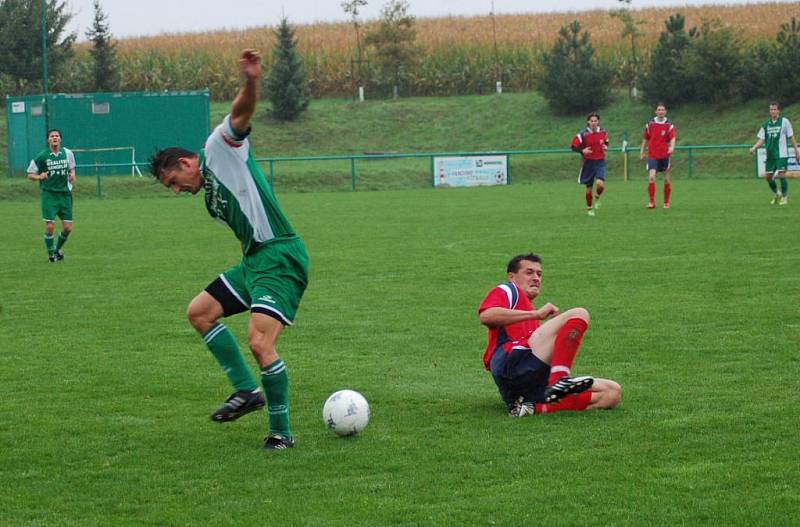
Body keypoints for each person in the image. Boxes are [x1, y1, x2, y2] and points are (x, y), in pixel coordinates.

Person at [148, 49, 309, 451]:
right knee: (199, 312)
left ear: (187, 162)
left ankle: (281, 434)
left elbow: (240, 114)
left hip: (280, 256)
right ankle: (246, 391)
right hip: (254, 261)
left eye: (173, 181)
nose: (176, 190)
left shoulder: (219, 147)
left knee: (259, 342)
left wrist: (251, 81)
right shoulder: (208, 199)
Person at [478, 253, 621, 417]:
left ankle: (528, 408)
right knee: (579, 313)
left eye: (539, 274)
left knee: (612, 393)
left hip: (527, 384)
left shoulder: (530, 312)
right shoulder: (509, 290)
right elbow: (487, 316)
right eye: (529, 272)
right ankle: (559, 380)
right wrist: (536, 315)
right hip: (510, 364)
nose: (536, 278)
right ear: (512, 276)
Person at [27, 129, 76, 262]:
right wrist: (39, 176)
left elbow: (71, 168)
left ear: (60, 139)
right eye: (52, 136)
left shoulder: (67, 153)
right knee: (50, 226)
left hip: (65, 194)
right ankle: (51, 256)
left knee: (68, 228)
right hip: (49, 195)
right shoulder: (42, 156)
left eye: (57, 136)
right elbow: (30, 174)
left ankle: (56, 250)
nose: (54, 138)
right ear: (48, 140)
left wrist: (72, 174)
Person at [749, 102, 800, 205]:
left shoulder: (784, 121)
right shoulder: (765, 125)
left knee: (781, 175)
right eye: (771, 109)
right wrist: (754, 147)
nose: (773, 111)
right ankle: (777, 193)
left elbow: (791, 136)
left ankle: (785, 198)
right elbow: (761, 139)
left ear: (778, 111)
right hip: (771, 155)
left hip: (781, 154)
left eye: (774, 109)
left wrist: (796, 150)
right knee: (768, 178)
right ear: (769, 111)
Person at [570, 112, 609, 216]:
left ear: (598, 121)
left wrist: (605, 146)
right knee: (589, 189)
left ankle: (597, 196)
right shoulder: (582, 134)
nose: (593, 123)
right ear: (588, 122)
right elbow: (573, 146)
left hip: (600, 161)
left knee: (600, 184)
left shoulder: (603, 132)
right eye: (591, 121)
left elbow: (605, 142)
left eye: (595, 121)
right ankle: (589, 208)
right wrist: (582, 151)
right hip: (588, 163)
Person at [639, 102, 676, 209]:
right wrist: (642, 151)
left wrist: (672, 147)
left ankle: (666, 202)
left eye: (662, 110)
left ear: (665, 111)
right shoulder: (650, 124)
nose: (660, 112)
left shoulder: (669, 125)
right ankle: (651, 202)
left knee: (666, 179)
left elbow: (673, 138)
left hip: (664, 155)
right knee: (651, 177)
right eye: (659, 110)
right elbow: (646, 138)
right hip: (652, 155)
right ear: (656, 111)